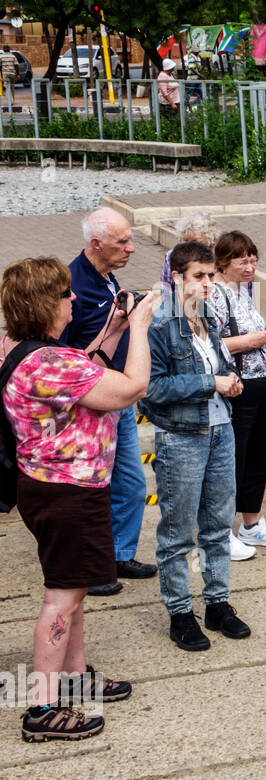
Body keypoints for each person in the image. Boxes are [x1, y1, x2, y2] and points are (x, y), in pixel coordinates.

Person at [1, 258, 154, 741]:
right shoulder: (51, 363)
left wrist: (112, 330)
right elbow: (130, 388)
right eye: (65, 295)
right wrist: (142, 328)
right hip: (68, 493)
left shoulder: (28, 352)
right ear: (47, 304)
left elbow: (87, 370)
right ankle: (42, 710)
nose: (73, 300)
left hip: (52, 487)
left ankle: (74, 676)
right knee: (62, 599)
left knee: (75, 587)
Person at [140, 241, 251, 652]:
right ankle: (180, 612)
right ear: (176, 278)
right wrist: (211, 383)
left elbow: (218, 365)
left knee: (219, 525)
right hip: (182, 437)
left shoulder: (207, 317)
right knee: (178, 532)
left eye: (210, 276)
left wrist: (229, 379)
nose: (207, 284)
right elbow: (150, 388)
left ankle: (218, 603)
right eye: (198, 277)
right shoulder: (159, 325)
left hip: (221, 430)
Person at [62, 208, 155, 597]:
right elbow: (62, 359)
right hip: (90, 405)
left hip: (118, 398)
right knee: (93, 490)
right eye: (123, 243)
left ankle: (118, 555)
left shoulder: (105, 275)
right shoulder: (72, 286)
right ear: (96, 244)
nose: (132, 249)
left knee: (131, 485)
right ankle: (93, 568)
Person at [209, 230, 266, 554]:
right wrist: (253, 340)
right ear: (224, 262)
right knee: (235, 458)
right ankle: (223, 530)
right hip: (237, 384)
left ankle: (252, 524)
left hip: (261, 378)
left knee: (258, 454)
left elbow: (249, 329)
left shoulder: (245, 291)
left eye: (253, 260)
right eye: (243, 261)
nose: (250, 267)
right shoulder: (215, 294)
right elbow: (210, 345)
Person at [162, 211, 219, 297]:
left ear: (210, 240)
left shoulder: (219, 257)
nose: (189, 246)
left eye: (195, 242)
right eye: (185, 241)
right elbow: (167, 289)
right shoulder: (171, 256)